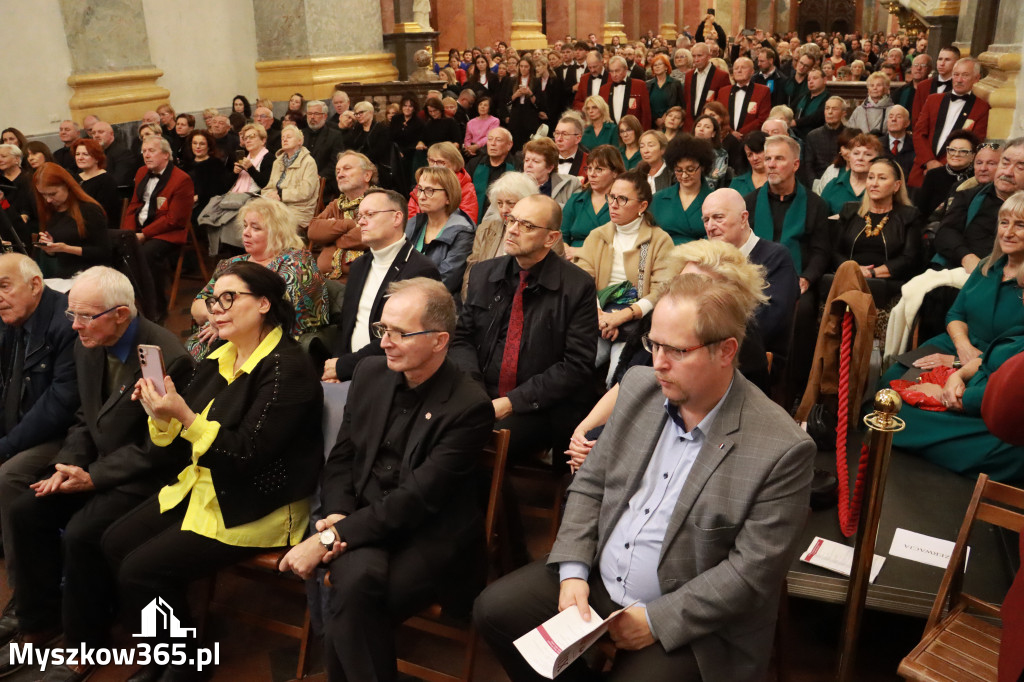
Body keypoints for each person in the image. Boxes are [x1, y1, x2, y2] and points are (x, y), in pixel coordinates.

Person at [474, 270, 816, 682]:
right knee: (494, 612)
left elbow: (749, 574)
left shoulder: (782, 447)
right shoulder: (640, 386)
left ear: (726, 351)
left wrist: (656, 619)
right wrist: (574, 573)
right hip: (600, 576)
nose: (658, 363)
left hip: (690, 611)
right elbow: (590, 486)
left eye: (677, 351)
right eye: (653, 344)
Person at [104, 262, 323, 681]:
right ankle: (164, 654)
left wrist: (183, 415)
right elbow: (169, 443)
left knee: (141, 568)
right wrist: (160, 411)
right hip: (209, 487)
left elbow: (247, 455)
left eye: (229, 298)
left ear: (263, 303)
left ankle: (183, 666)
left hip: (257, 504)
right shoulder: (219, 355)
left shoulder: (287, 369)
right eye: (212, 299)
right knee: (116, 542)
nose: (216, 309)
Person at [281, 276, 492, 682]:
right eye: (382, 329)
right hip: (363, 519)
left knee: (353, 600)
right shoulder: (372, 374)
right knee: (354, 592)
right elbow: (341, 458)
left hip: (427, 536)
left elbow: (417, 500)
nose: (384, 343)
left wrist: (329, 537)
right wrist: (339, 511)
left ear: (439, 340)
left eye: (399, 333)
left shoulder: (469, 407)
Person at [0, 267, 192, 682]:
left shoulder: (165, 356)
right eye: (72, 315)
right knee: (26, 510)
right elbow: (84, 418)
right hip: (102, 466)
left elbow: (161, 449)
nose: (75, 326)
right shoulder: (88, 343)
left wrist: (94, 477)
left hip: (147, 479)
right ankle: (38, 622)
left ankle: (84, 646)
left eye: (86, 316)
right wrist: (69, 463)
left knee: (86, 531)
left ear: (121, 314)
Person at [889, 194, 1024, 482]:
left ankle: (924, 435)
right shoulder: (988, 265)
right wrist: (961, 348)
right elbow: (955, 313)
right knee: (889, 383)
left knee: (1001, 435)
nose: (1008, 232)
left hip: (1000, 367)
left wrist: (958, 365)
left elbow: (1013, 355)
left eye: (1020, 225)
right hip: (958, 344)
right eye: (1004, 223)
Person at [454, 191, 597, 460]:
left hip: (541, 406)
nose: (513, 230)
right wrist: (475, 392)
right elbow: (462, 339)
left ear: (551, 238)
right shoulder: (485, 273)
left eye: (527, 226)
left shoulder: (577, 286)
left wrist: (510, 403)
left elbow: (576, 365)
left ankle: (493, 502)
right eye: (512, 221)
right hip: (480, 393)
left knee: (472, 441)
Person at [0, 254, 79, 579]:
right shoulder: (10, 318)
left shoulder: (66, 324)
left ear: (35, 285)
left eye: (4, 286)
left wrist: (6, 446)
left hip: (62, 434)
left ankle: (26, 589)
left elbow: (59, 407)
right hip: (20, 424)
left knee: (8, 476)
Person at [188, 198, 328, 360]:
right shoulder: (232, 263)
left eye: (255, 228)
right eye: (245, 225)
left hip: (270, 350)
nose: (246, 232)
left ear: (278, 232)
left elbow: (278, 317)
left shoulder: (296, 264)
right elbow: (198, 304)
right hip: (221, 339)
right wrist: (214, 317)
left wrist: (224, 322)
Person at [576, 170, 675, 384]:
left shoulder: (659, 240)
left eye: (622, 199)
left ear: (642, 206)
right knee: (578, 364)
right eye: (611, 197)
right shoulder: (597, 236)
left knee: (617, 377)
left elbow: (662, 290)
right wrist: (601, 316)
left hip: (636, 323)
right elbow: (583, 281)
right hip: (598, 318)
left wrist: (622, 317)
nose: (613, 204)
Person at [703, 188, 799, 354]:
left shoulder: (777, 258)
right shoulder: (704, 260)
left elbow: (767, 324)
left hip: (753, 359)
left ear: (743, 218)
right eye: (706, 220)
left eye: (718, 217)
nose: (710, 227)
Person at [830, 157, 923, 306]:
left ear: (896, 186)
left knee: (873, 287)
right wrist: (853, 270)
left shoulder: (909, 216)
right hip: (849, 277)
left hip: (888, 282)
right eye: (871, 177)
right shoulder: (849, 211)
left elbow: (909, 258)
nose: (874, 183)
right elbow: (835, 251)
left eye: (882, 178)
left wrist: (872, 273)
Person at [120, 136, 194, 313]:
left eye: (151, 151)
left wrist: (144, 235)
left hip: (167, 233)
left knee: (145, 254)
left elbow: (174, 219)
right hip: (139, 228)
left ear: (166, 155)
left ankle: (156, 309)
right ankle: (130, 303)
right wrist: (128, 233)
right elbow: (134, 205)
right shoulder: (141, 172)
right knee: (117, 249)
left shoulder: (181, 180)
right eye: (144, 151)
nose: (146, 155)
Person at [934, 138, 1024, 272]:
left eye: (1020, 167)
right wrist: (967, 258)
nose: (1007, 172)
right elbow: (945, 232)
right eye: (1005, 163)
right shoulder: (969, 195)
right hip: (961, 269)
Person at [910, 58, 990, 188]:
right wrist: (929, 162)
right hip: (921, 171)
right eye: (956, 74)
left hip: (952, 178)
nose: (958, 80)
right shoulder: (933, 100)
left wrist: (942, 168)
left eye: (965, 75)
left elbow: (974, 143)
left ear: (976, 78)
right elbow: (919, 133)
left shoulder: (981, 108)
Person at [463, 172, 543, 295]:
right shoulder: (485, 229)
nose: (504, 210)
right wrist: (473, 301)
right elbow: (471, 273)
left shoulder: (542, 233)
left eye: (511, 203)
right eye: (499, 203)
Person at [32, 163, 111, 279]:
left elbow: (104, 252)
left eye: (53, 194)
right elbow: (57, 257)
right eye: (43, 195)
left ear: (67, 185)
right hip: (64, 275)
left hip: (91, 275)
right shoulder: (51, 210)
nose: (48, 200)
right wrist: (50, 249)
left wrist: (66, 248)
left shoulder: (90, 210)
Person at [406, 166, 475, 295]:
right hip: (406, 296)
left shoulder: (463, 232)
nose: (421, 197)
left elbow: (446, 281)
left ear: (449, 197)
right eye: (419, 190)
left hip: (438, 304)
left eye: (429, 190)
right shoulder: (413, 223)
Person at [307, 152, 375, 280]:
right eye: (337, 170)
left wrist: (332, 235)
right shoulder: (337, 204)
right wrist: (349, 224)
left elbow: (367, 236)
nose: (340, 174)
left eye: (347, 169)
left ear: (367, 175)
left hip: (359, 282)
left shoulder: (379, 201)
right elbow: (313, 230)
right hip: (326, 281)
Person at [649, 134, 716, 244]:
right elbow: (646, 238)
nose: (684, 176)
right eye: (679, 170)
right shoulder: (658, 199)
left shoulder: (714, 200)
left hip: (702, 257)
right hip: (663, 257)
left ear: (702, 167)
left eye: (690, 169)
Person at [262, 125, 319, 230]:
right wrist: (268, 195)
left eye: (289, 137)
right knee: (253, 217)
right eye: (283, 138)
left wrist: (280, 195)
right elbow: (269, 187)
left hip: (299, 210)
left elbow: (306, 192)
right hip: (276, 206)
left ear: (300, 141)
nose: (284, 140)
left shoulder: (308, 162)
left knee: (268, 225)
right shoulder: (277, 162)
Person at [408, 142, 479, 223]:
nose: (434, 166)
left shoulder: (465, 187)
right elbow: (411, 214)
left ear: (454, 164)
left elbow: (467, 221)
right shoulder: (423, 182)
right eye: (431, 160)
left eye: (440, 162)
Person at [917, 130, 978, 221]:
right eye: (952, 150)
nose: (956, 154)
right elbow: (921, 211)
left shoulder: (977, 176)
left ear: (973, 156)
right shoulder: (933, 175)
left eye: (963, 151)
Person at [820, 133, 884, 214]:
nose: (860, 158)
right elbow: (819, 220)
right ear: (849, 157)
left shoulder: (883, 188)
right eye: (856, 153)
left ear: (878, 160)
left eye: (868, 154)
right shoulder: (833, 186)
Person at [72, 138, 121, 231]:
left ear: (97, 158)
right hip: (76, 223)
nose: (80, 157)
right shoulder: (75, 178)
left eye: (85, 154)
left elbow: (104, 212)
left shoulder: (106, 180)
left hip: (97, 227)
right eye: (77, 154)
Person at [717, 57, 772, 139]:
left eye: (743, 67)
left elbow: (762, 118)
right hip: (726, 138)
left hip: (751, 139)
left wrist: (741, 133)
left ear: (752, 71)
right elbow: (718, 115)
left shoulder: (763, 91)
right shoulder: (723, 91)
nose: (739, 70)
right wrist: (730, 132)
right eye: (736, 68)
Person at [467, 127, 515, 216]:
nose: (493, 144)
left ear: (509, 145)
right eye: (490, 139)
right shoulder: (474, 163)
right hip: (473, 218)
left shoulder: (516, 166)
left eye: (498, 140)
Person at [682, 43, 730, 132]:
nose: (696, 59)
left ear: (709, 56)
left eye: (699, 56)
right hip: (689, 125)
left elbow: (723, 105)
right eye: (694, 56)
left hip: (710, 127)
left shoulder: (721, 76)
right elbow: (686, 100)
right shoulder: (689, 75)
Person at [522, 137, 582, 208]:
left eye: (536, 161)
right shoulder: (515, 185)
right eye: (526, 160)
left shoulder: (571, 184)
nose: (529, 165)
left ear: (550, 167)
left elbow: (576, 211)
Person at [803, 96, 850, 182]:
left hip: (842, 181)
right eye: (827, 108)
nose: (830, 112)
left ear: (843, 113)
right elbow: (808, 165)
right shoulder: (813, 135)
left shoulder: (849, 135)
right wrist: (814, 185)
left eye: (834, 109)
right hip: (817, 181)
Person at [599, 56, 652, 130]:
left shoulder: (639, 85)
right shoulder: (604, 89)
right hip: (611, 135)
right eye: (611, 71)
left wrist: (645, 134)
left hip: (634, 133)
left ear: (626, 69)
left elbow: (646, 114)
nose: (614, 74)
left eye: (617, 71)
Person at [303, 100, 345, 188]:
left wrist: (319, 177)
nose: (312, 117)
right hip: (301, 181)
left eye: (316, 114)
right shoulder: (300, 135)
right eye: (309, 113)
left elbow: (335, 162)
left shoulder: (334, 136)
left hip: (325, 183)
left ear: (325, 116)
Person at [911, 46, 959, 123]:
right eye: (940, 59)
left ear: (957, 63)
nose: (942, 63)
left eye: (947, 60)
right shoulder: (923, 86)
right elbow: (916, 117)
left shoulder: (959, 87)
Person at [0, 145, 36, 245]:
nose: (0, 159)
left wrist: (25, 215)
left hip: (24, 227)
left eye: (3, 156)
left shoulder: (29, 179)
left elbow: (32, 206)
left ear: (16, 159)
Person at [878, 104, 916, 183]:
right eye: (890, 117)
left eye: (898, 117)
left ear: (907, 123)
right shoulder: (877, 144)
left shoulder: (916, 145)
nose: (893, 119)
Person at [646, 53, 684, 129]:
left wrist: (666, 116)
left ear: (666, 67)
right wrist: (656, 119)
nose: (657, 67)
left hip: (671, 122)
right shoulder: (648, 84)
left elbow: (680, 104)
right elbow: (646, 105)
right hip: (652, 124)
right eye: (655, 65)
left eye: (660, 64)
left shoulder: (676, 84)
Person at [791, 67, 830, 139]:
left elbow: (818, 117)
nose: (811, 82)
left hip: (816, 136)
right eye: (808, 79)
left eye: (815, 78)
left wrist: (796, 122)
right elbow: (791, 109)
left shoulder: (829, 98)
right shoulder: (803, 96)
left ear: (824, 80)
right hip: (796, 133)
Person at [693, 114, 730, 188]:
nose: (701, 129)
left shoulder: (721, 154)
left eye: (707, 127)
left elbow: (715, 177)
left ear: (713, 133)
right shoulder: (684, 150)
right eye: (698, 126)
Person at [730, 131, 768, 196]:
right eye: (750, 155)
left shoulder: (780, 180)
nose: (755, 158)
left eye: (758, 152)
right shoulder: (737, 183)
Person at [638, 129, 672, 195]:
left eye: (651, 145)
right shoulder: (638, 173)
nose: (645, 151)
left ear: (663, 149)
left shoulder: (672, 174)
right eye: (642, 146)